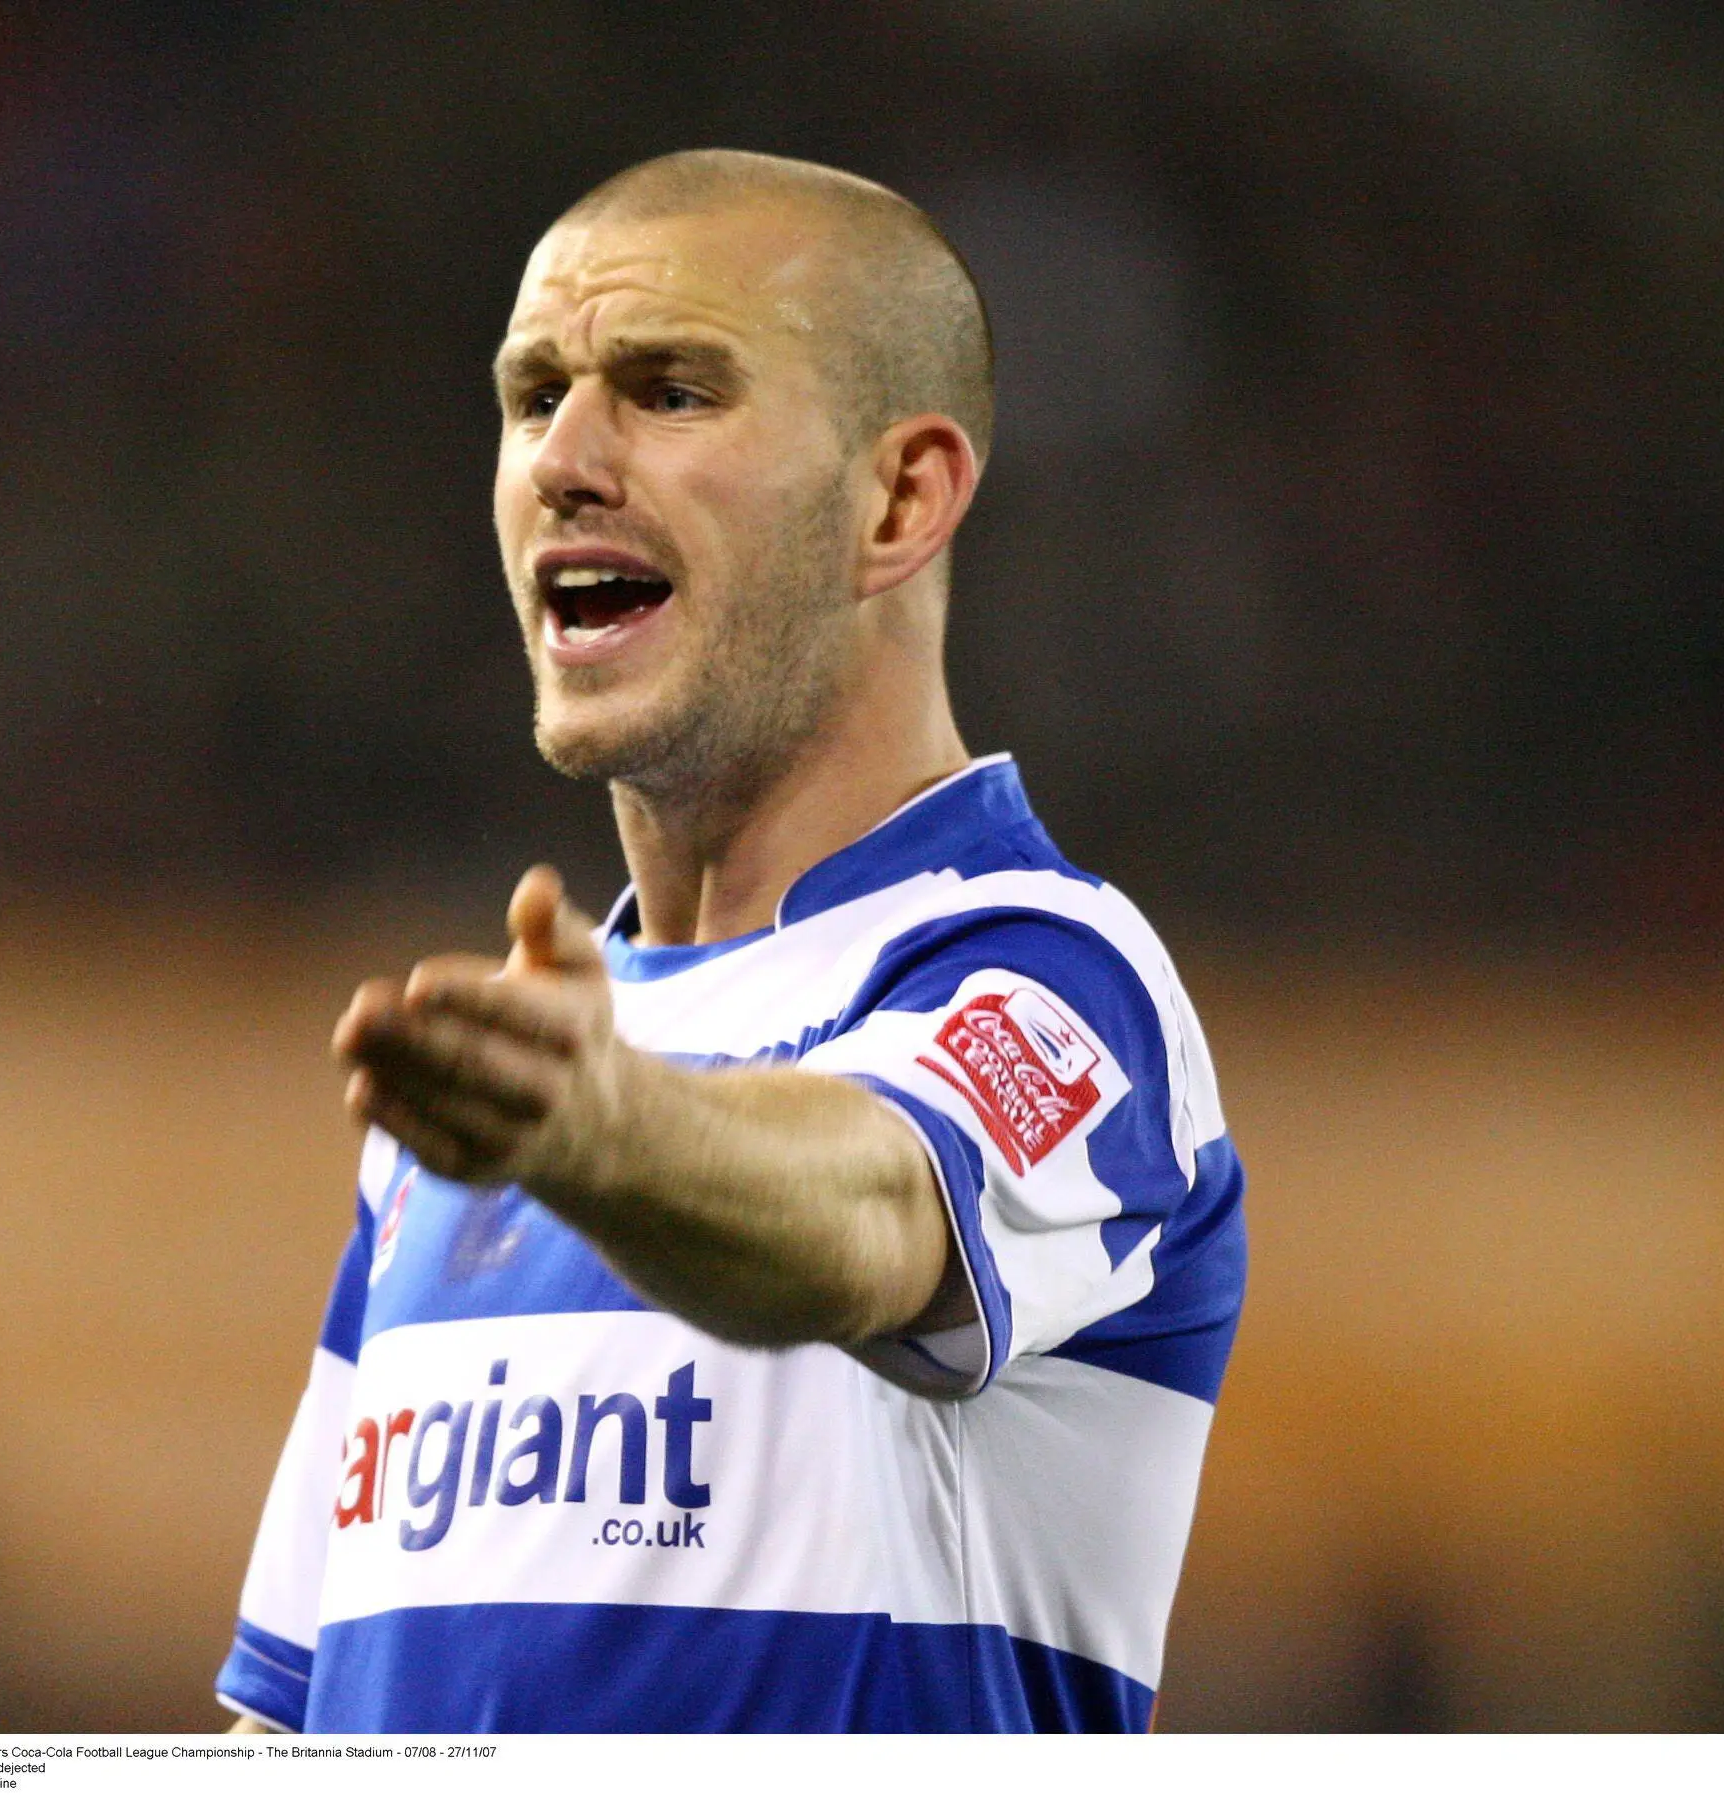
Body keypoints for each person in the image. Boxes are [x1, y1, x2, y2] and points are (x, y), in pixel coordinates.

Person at [213, 149, 1246, 1734]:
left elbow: (860, 1227)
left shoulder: (1050, 983)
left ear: (898, 498)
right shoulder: (469, 1117)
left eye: (671, 390)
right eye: (529, 393)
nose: (562, 455)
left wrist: (610, 1133)